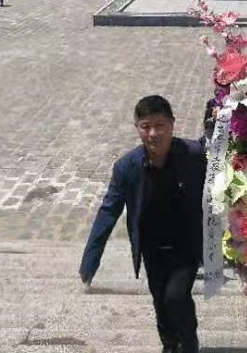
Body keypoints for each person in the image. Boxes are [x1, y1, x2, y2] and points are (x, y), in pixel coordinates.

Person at [79, 95, 207, 353]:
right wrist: (90, 260)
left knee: (176, 296)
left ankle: (188, 342)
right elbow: (108, 212)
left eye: (160, 126)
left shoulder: (194, 156)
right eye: (145, 126)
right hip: (151, 248)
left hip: (186, 245)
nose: (153, 134)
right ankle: (169, 344)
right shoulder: (126, 168)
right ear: (137, 127)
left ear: (172, 124)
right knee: (160, 301)